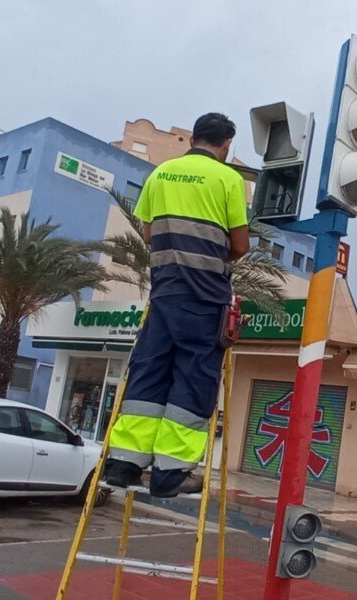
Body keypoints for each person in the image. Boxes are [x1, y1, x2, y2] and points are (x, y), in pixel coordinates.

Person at [104, 113, 250, 498]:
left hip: (164, 292)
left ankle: (123, 465)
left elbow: (150, 233)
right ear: (226, 144)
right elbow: (240, 245)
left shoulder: (162, 173)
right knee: (194, 376)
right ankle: (170, 472)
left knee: (149, 371)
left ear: (194, 138)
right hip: (204, 297)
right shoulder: (228, 179)